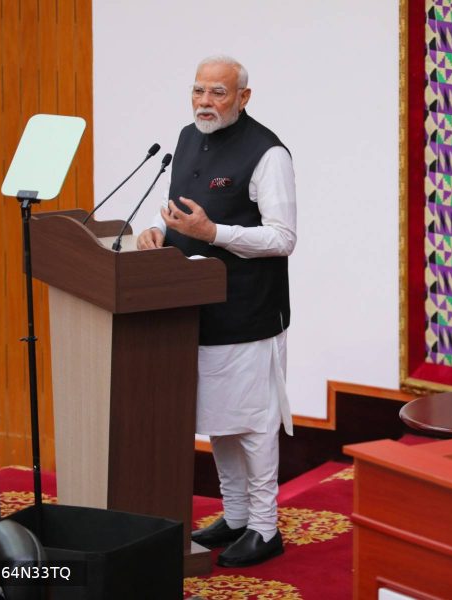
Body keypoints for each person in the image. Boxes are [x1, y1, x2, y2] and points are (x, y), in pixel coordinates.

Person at [136, 55, 296, 567]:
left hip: (248, 313)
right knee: (220, 422)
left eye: (218, 93)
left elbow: (282, 238)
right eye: (199, 91)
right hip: (194, 309)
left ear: (243, 97)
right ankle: (235, 517)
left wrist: (214, 235)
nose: (205, 102)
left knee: (252, 423)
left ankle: (265, 528)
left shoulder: (268, 153)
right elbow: (189, 217)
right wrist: (163, 235)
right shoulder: (187, 137)